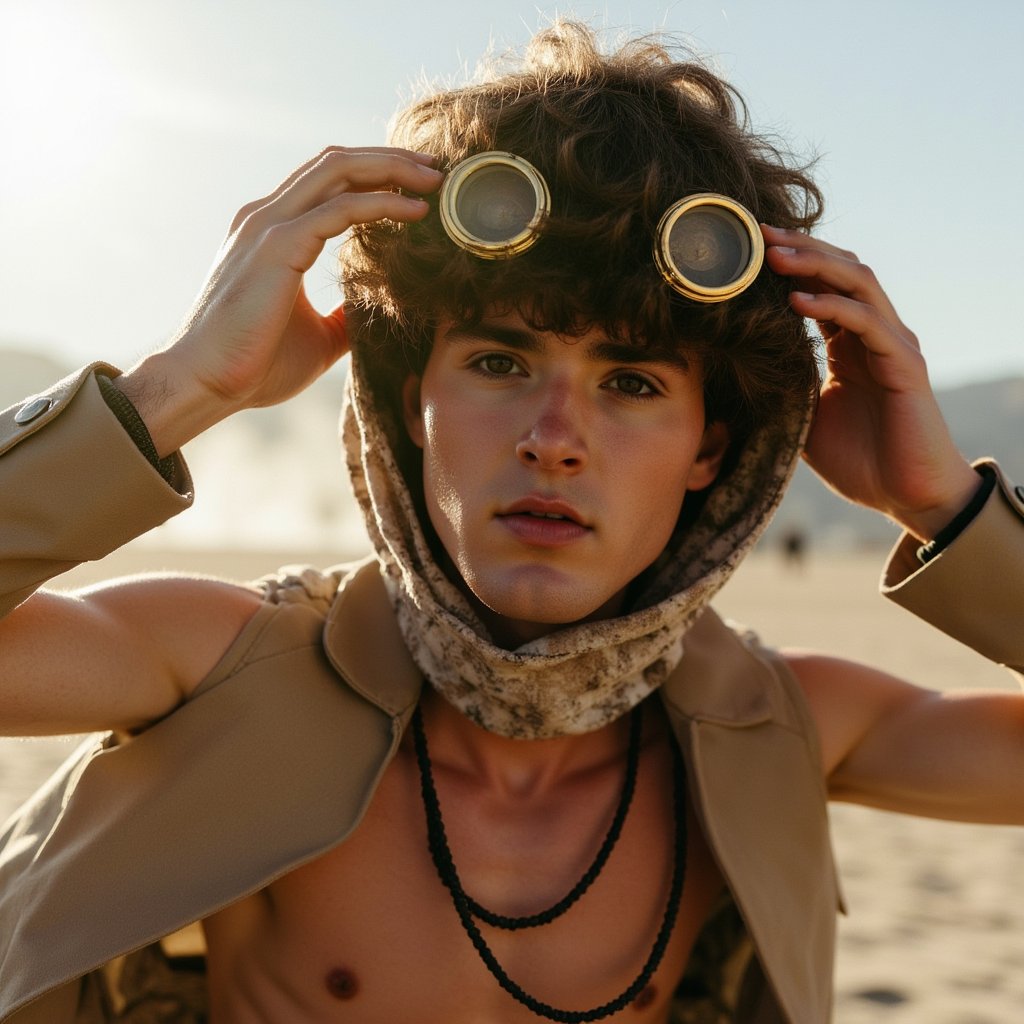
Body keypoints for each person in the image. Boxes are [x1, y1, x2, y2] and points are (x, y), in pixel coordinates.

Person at [1, 21, 1021, 1024]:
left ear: (711, 447)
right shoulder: (225, 664)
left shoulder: (779, 725)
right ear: (410, 401)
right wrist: (179, 388)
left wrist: (943, 504)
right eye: (498, 363)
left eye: (629, 381)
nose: (554, 438)